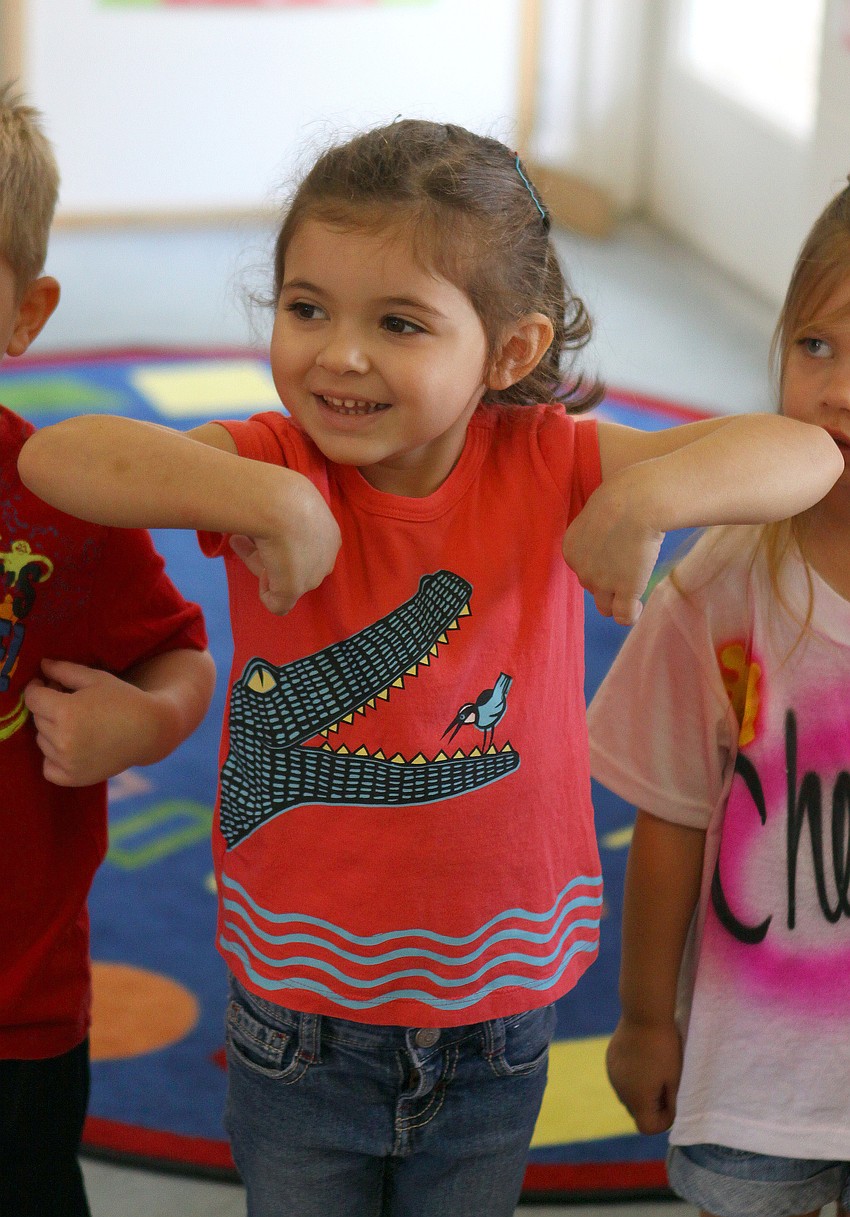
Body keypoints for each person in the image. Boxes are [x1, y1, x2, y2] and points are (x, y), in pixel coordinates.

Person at [17, 121, 843, 1217]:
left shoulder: (550, 457)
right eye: (306, 309)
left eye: (398, 322)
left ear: (508, 351)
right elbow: (58, 456)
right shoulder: (276, 458)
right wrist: (267, 500)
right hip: (298, 1010)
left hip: (498, 1010)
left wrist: (645, 498)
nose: (339, 353)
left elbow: (802, 454)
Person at [588, 177, 850, 1217]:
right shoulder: (719, 583)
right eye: (815, 346)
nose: (835, 388)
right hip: (758, 1082)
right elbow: (671, 815)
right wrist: (646, 1015)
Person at [0, 85, 216, 1217]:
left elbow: (182, 650)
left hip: (16, 1008)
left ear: (26, 312)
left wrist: (146, 721)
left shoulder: (64, 503)